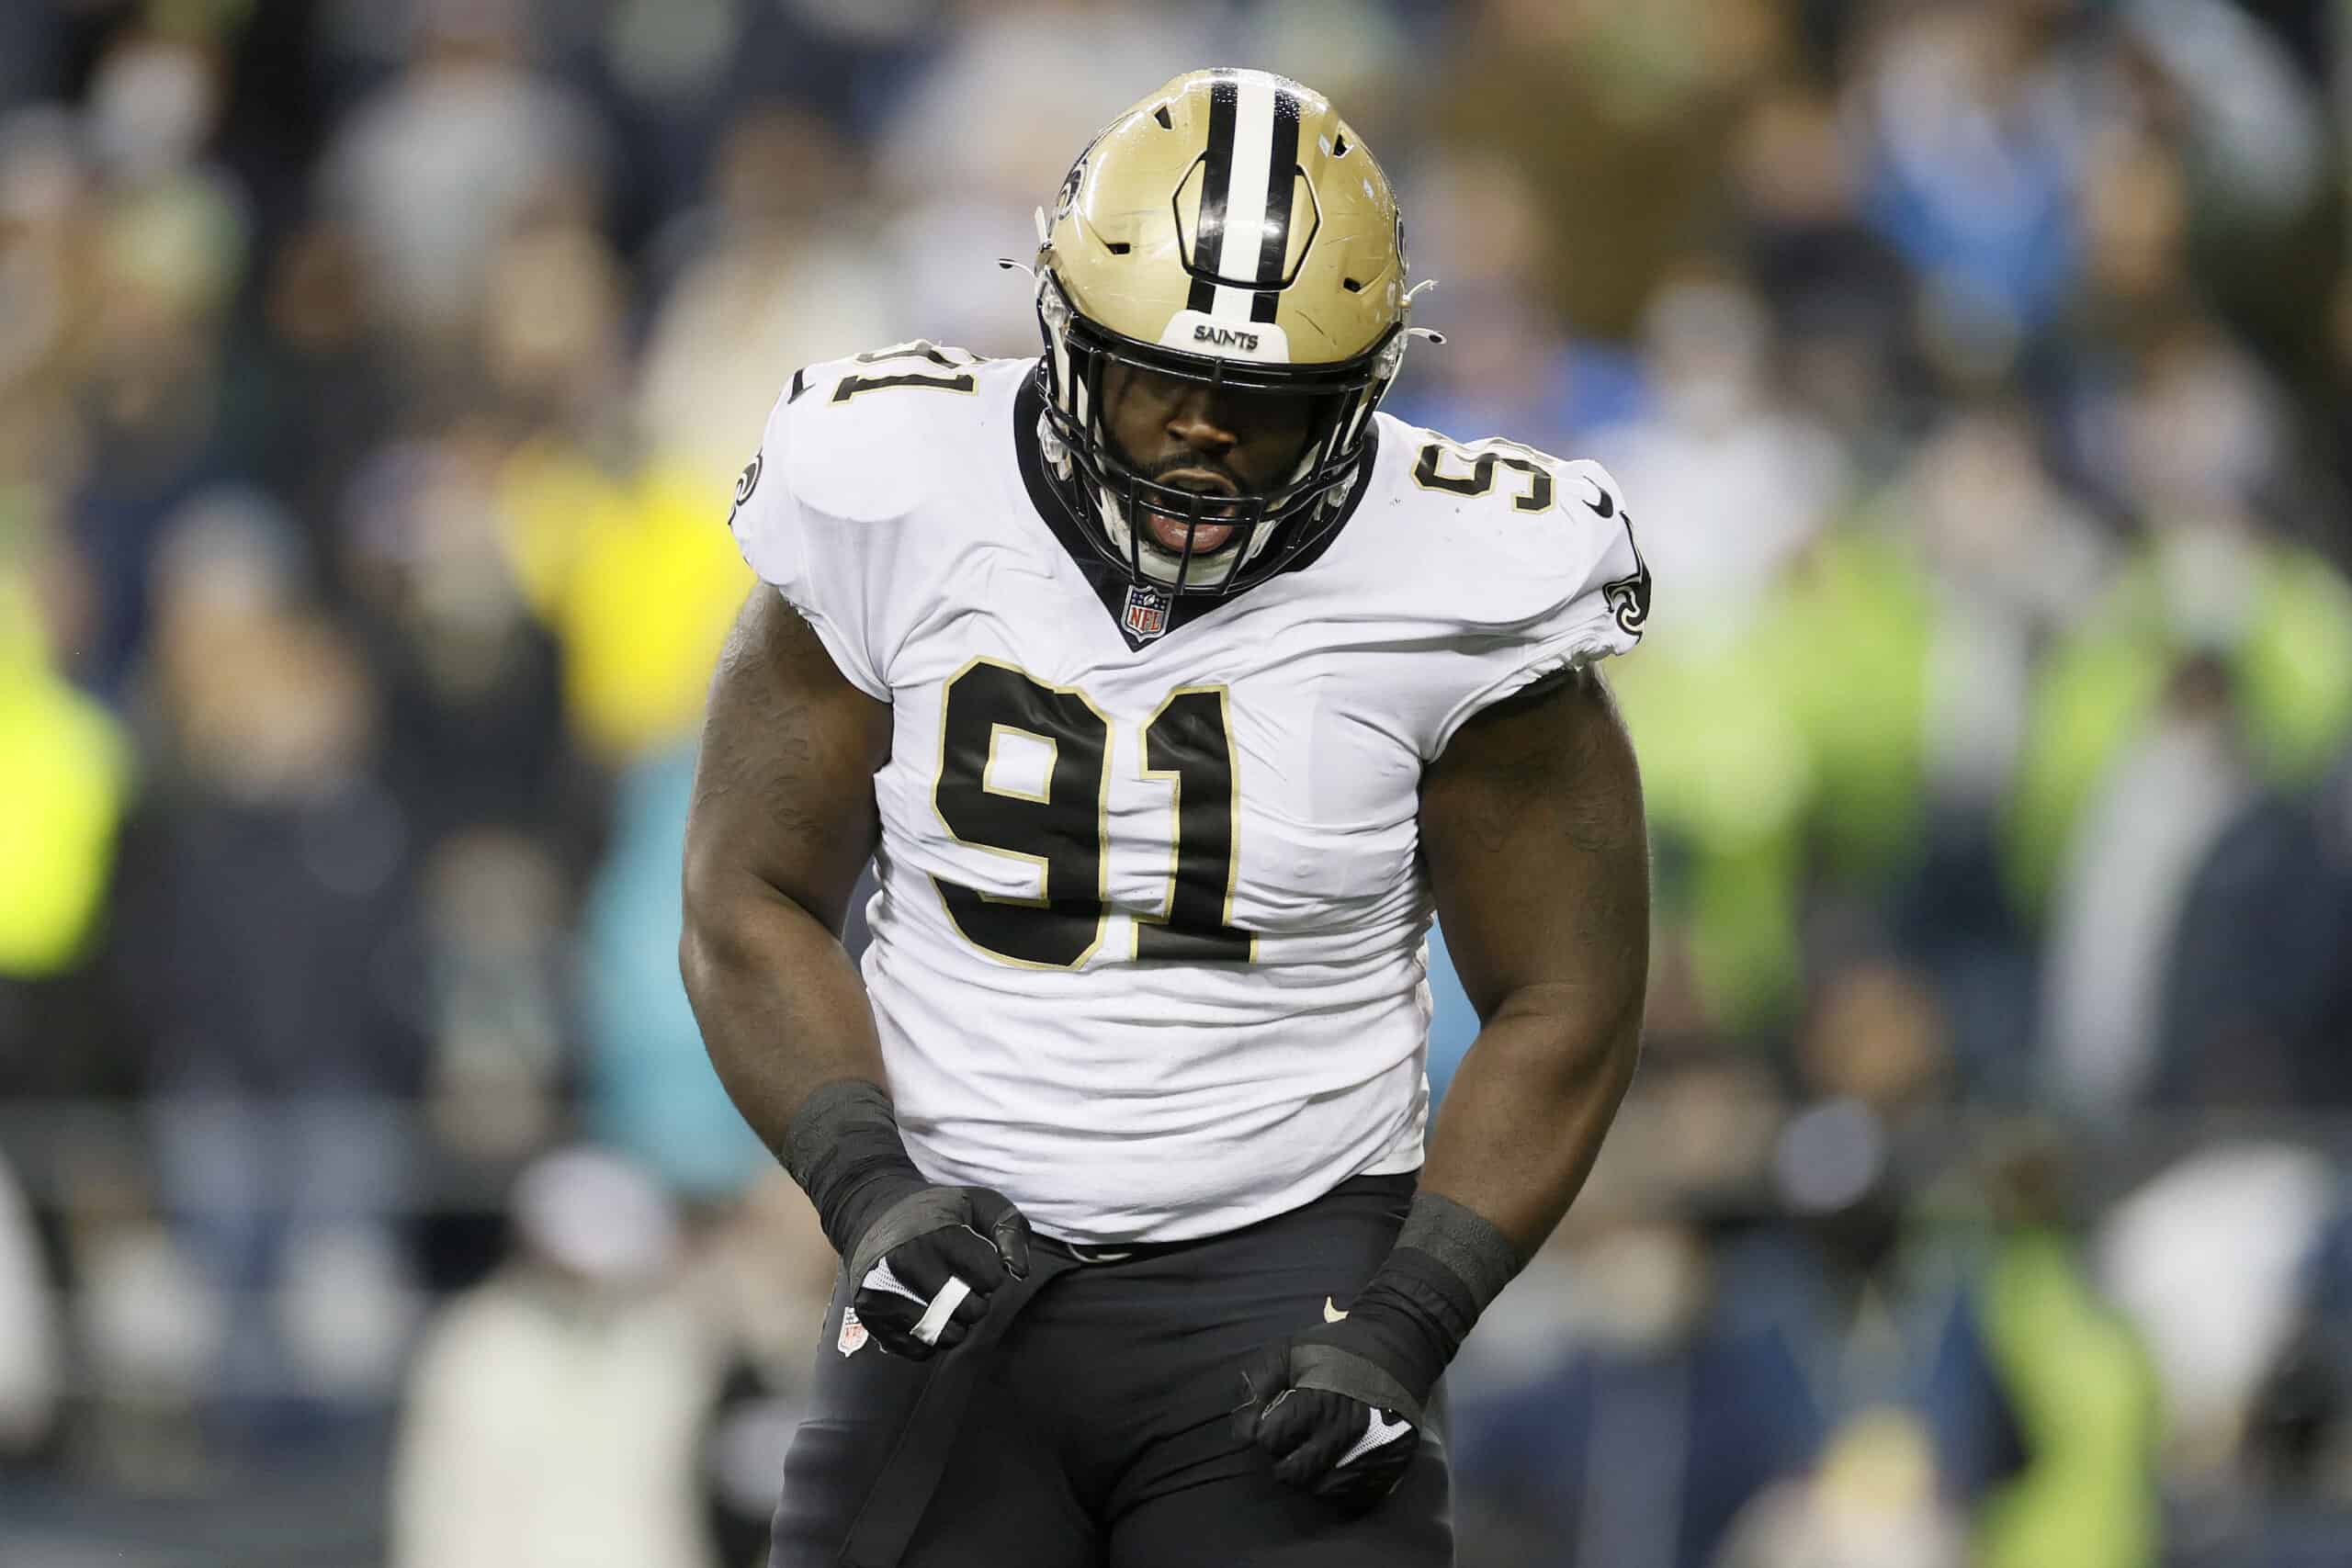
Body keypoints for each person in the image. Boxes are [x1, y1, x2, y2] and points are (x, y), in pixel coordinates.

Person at [680, 68, 1656, 1567]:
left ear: (1365, 388)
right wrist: (866, 1191)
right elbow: (745, 894)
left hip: (1283, 1282)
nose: (1203, 435)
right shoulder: (892, 487)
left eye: (1263, 407)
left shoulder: (1472, 576)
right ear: (1067, 336)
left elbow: (1567, 995)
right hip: (958, 1259)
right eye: (1161, 380)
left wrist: (1412, 1315)